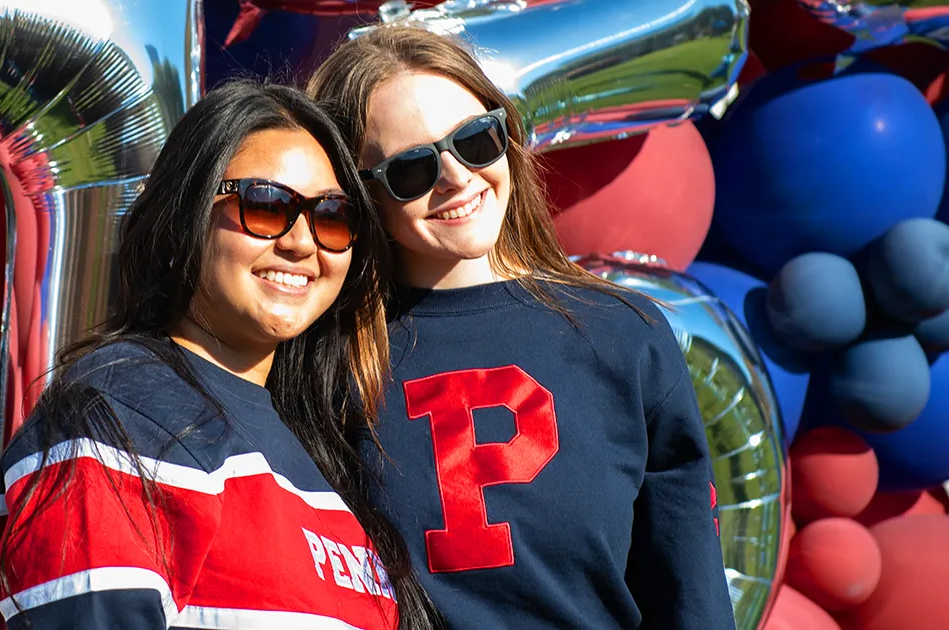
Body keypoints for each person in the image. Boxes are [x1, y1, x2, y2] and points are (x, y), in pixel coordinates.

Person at [308, 26, 737, 630]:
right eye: (411, 169)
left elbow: (690, 597)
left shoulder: (624, 336)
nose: (456, 176)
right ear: (359, 194)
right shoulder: (323, 360)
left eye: (477, 140)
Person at [0, 80, 439, 630]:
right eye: (266, 204)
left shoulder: (325, 451)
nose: (301, 242)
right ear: (187, 211)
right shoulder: (117, 412)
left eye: (331, 215)